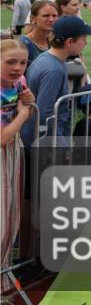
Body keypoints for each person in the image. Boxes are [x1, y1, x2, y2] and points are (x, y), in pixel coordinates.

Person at [23, 16, 91, 146]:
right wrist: (61, 144)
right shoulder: (54, 70)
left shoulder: (47, 58)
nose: (86, 43)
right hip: (46, 144)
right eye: (84, 38)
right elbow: (45, 114)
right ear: (69, 41)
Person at [1, 39, 35, 275]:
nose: (17, 67)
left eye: (22, 62)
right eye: (10, 62)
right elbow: (2, 137)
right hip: (4, 151)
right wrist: (24, 113)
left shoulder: (20, 82)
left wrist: (29, 103)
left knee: (10, 220)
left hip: (13, 153)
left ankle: (3, 277)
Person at [21, 0, 59, 65]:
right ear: (33, 19)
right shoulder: (23, 44)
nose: (51, 19)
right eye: (46, 15)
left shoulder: (55, 41)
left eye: (54, 16)